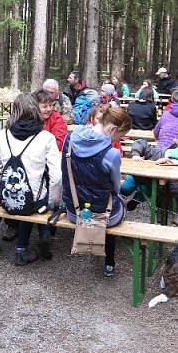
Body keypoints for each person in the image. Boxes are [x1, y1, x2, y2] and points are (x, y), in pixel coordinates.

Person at [0, 94, 62, 265]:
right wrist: (52, 202)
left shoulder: (3, 135)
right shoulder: (46, 138)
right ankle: (41, 236)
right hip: (36, 203)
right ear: (35, 110)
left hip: (8, 200)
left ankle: (25, 245)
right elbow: (56, 177)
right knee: (43, 189)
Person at [61, 106, 131, 277]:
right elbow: (115, 188)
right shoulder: (112, 154)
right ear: (113, 129)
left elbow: (65, 173)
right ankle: (109, 262)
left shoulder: (69, 139)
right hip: (102, 215)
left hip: (73, 210)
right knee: (115, 204)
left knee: (105, 201)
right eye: (119, 136)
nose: (118, 140)